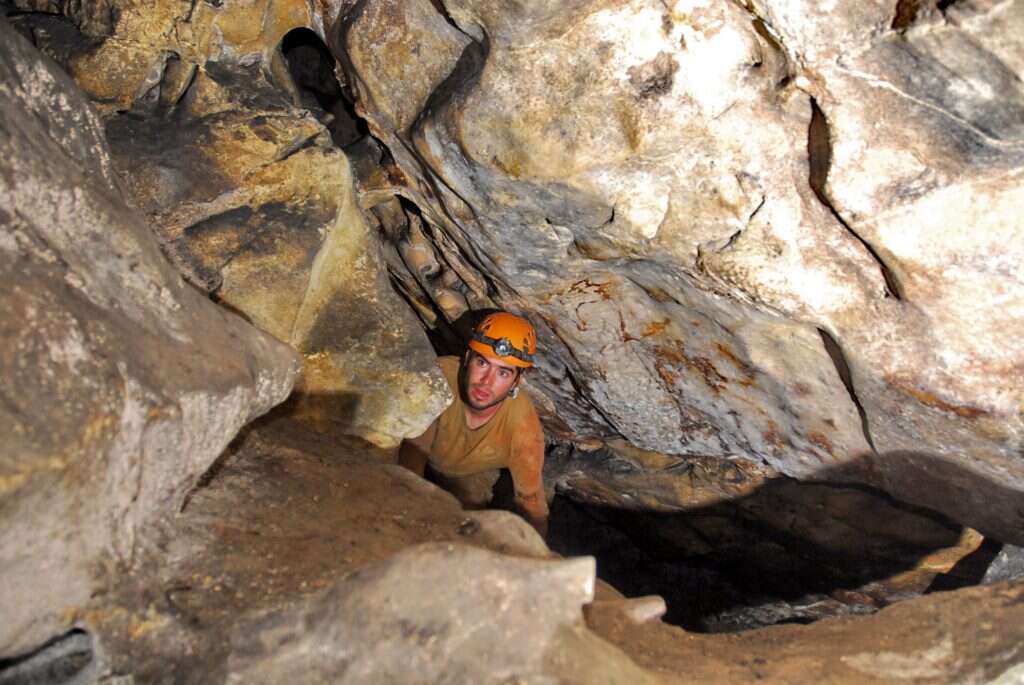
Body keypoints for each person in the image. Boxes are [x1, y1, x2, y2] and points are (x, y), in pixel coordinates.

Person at [399, 311, 549, 537]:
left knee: (468, 524)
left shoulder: (523, 429)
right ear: (468, 358)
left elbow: (532, 503)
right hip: (419, 452)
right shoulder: (440, 377)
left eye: (503, 373)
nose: (486, 381)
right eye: (482, 362)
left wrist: (539, 553)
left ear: (516, 381)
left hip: (472, 474)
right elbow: (413, 450)